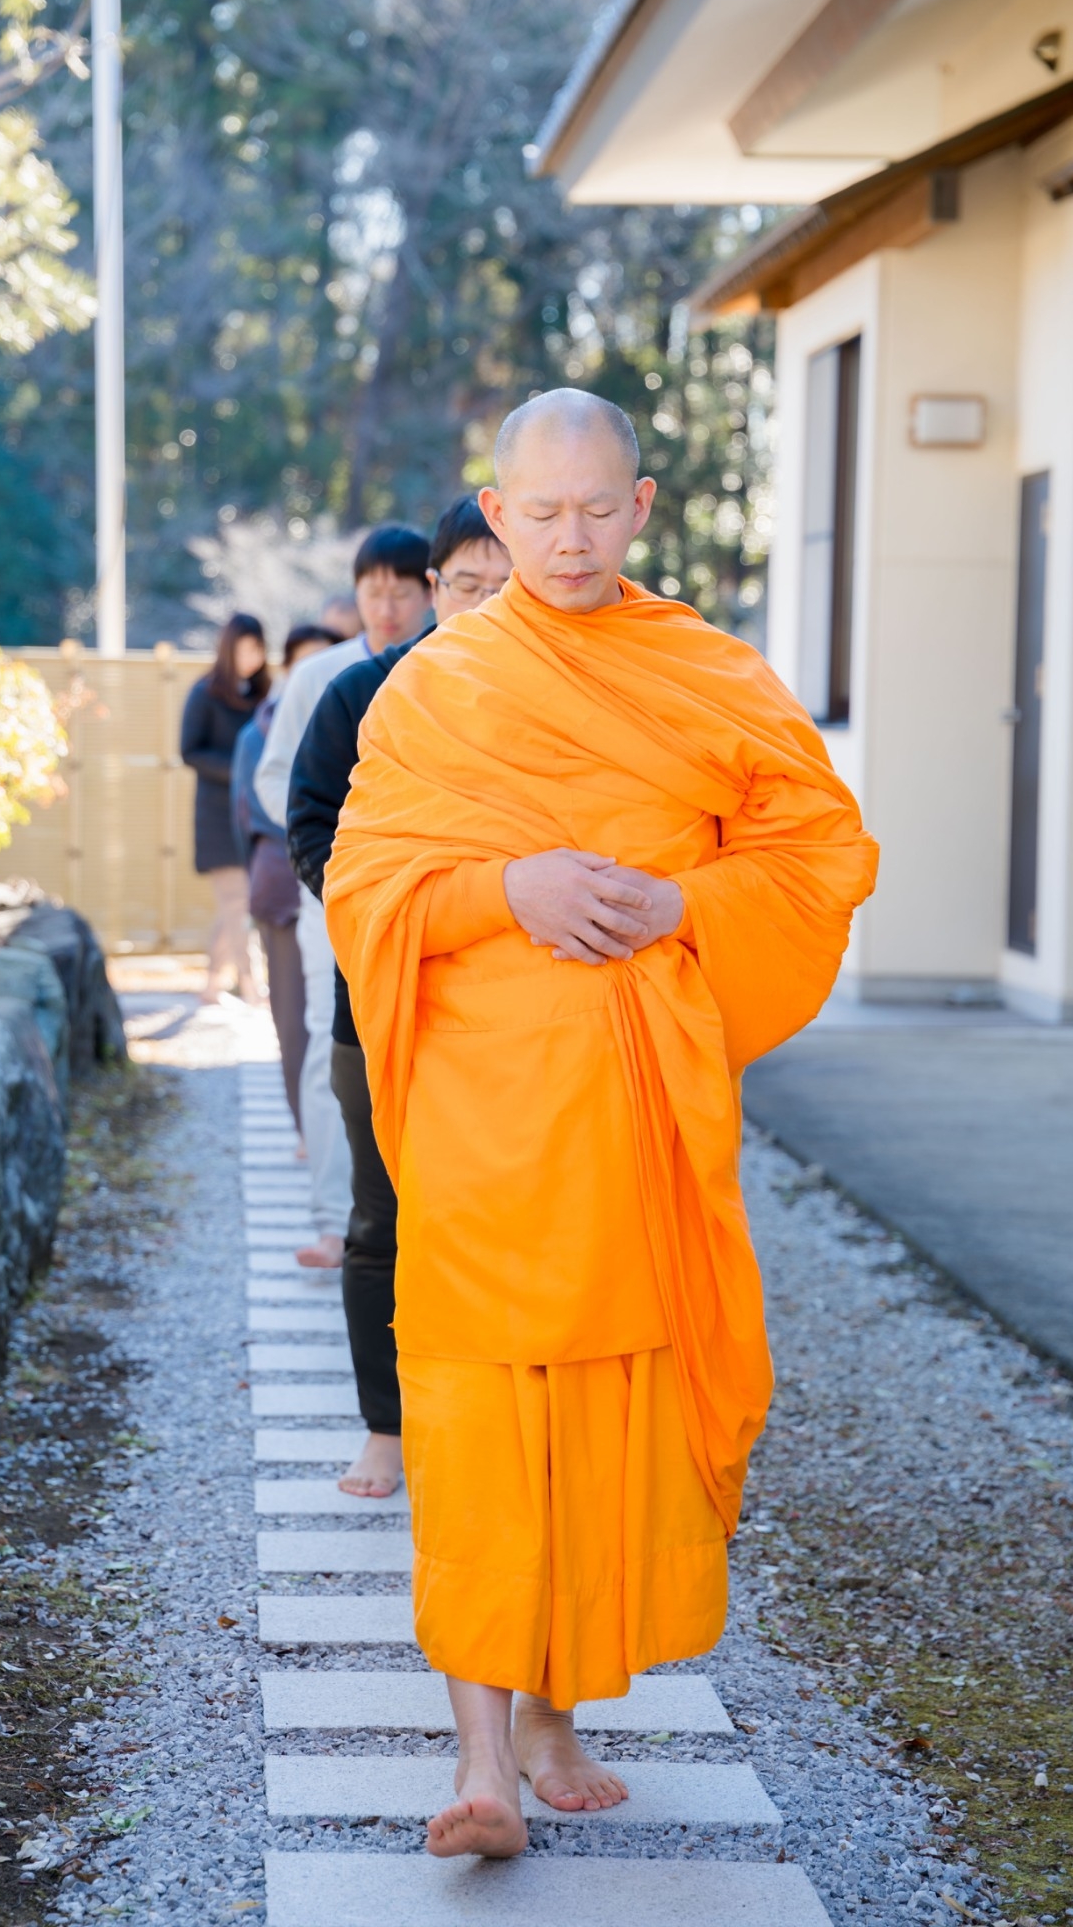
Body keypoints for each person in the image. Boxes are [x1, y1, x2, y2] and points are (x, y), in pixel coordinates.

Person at [324, 389, 878, 1859]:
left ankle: (564, 1714)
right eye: (538, 513)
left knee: (601, 1420)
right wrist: (507, 892)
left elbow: (819, 851)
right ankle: (480, 1762)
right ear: (495, 518)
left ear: (641, 507)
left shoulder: (704, 673)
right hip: (481, 1119)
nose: (567, 539)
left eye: (595, 509)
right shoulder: (434, 690)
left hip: (635, 1113)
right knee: (480, 1413)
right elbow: (366, 892)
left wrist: (689, 904)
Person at [286, 498, 511, 1497]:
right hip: (379, 999)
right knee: (382, 1212)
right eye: (466, 584)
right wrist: (413, 913)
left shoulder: (560, 700)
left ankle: (493, 1415)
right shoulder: (367, 690)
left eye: (507, 584)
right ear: (432, 589)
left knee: (505, 1217)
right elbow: (311, 827)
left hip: (520, 1013)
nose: (486, 603)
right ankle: (386, 1422)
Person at [255, 525, 434, 1268]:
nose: (386, 608)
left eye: (400, 592)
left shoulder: (452, 669)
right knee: (339, 1057)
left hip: (430, 902)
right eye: (372, 592)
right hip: (332, 897)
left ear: (427, 591)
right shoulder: (319, 676)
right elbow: (277, 781)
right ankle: (336, 1219)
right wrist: (331, 865)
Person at [231, 623, 341, 1138]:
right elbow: (254, 803)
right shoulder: (261, 729)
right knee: (297, 1016)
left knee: (326, 1018)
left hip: (335, 878)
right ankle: (306, 1128)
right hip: (282, 877)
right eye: (303, 664)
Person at [180, 612, 269, 1006]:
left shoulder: (262, 696)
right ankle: (249, 983)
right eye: (246, 648)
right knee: (236, 901)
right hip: (217, 814)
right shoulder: (205, 693)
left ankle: (212, 982)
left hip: (254, 814)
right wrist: (238, 768)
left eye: (259, 649)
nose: (254, 657)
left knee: (235, 903)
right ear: (228, 649)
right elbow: (189, 750)